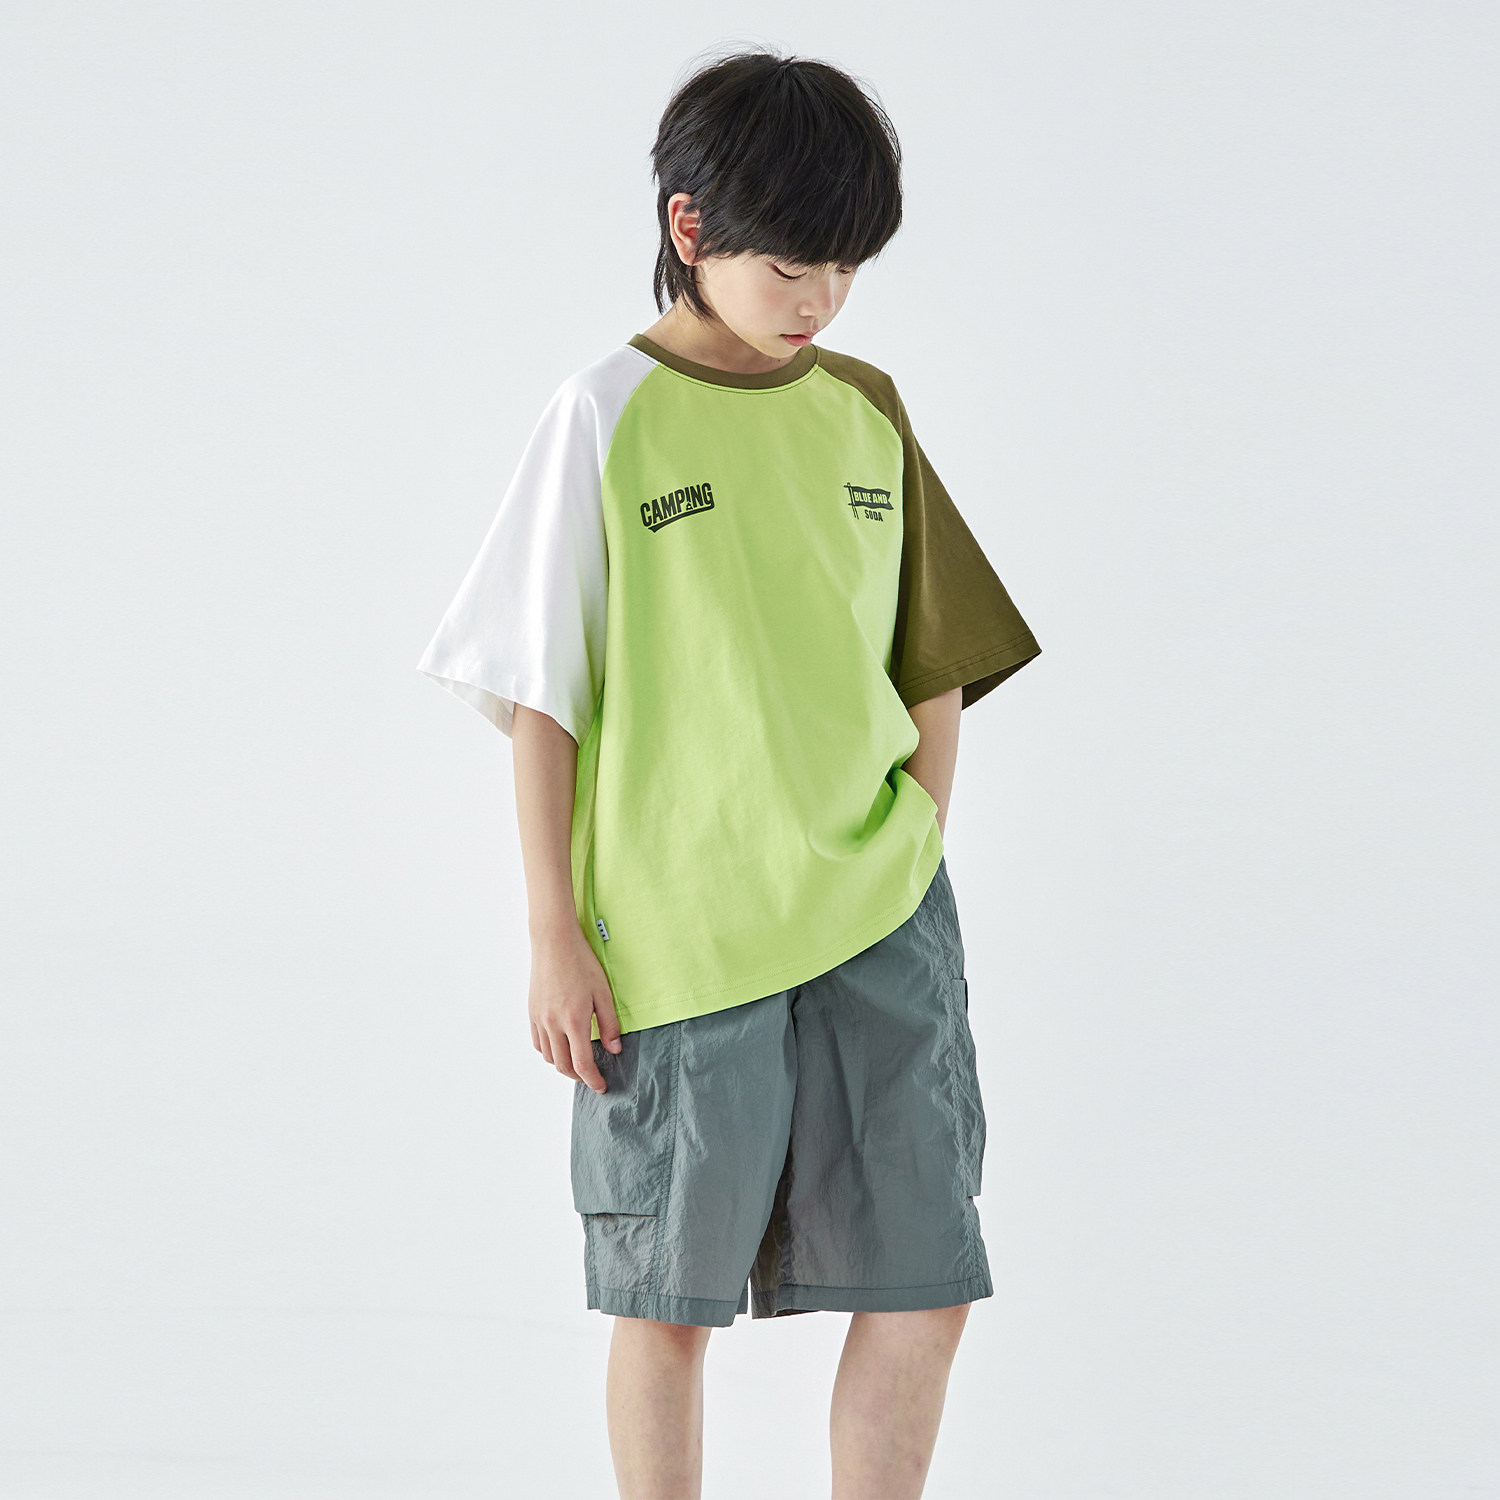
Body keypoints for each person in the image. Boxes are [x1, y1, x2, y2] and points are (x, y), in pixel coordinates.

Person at [417, 48, 1043, 1500]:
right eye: (789, 265)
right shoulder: (603, 414)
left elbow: (933, 664)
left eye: (846, 269)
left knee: (926, 1281)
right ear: (689, 228)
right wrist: (552, 934)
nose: (819, 299)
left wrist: (914, 839)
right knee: (666, 1300)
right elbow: (541, 698)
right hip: (678, 937)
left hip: (882, 922)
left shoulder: (868, 408)